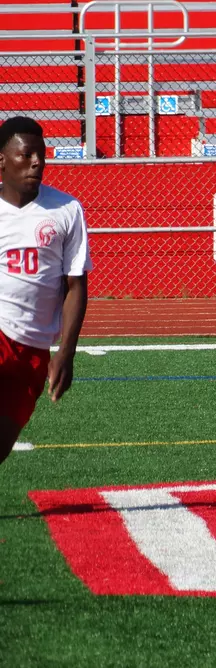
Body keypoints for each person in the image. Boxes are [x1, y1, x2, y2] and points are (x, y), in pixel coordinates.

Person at [0, 116, 91, 465]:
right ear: (2, 161)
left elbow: (75, 284)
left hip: (34, 347)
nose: (37, 161)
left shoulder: (67, 210)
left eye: (41, 154)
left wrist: (66, 352)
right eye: (26, 155)